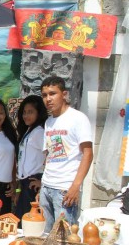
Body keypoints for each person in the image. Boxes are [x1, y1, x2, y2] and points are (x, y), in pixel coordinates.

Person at [40, 76, 93, 231]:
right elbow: (49, 156)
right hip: (47, 187)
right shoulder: (49, 122)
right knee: (44, 237)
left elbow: (88, 154)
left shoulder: (78, 118)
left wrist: (76, 186)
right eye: (44, 95)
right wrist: (43, 184)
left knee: (64, 238)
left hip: (65, 189)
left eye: (52, 93)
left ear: (64, 94)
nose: (48, 99)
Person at [15, 95, 48, 220]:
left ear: (38, 113)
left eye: (30, 112)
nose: (26, 116)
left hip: (33, 182)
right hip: (25, 183)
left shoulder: (39, 132)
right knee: (21, 220)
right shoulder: (29, 131)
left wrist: (42, 182)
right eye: (24, 112)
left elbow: (50, 155)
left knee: (29, 221)